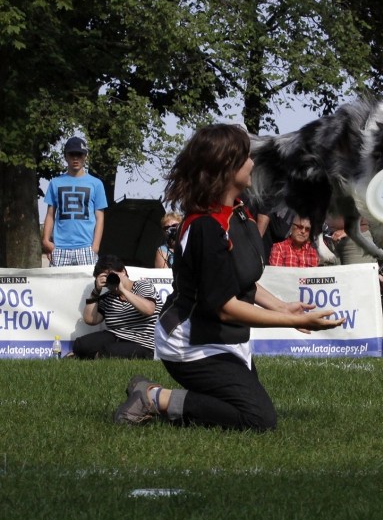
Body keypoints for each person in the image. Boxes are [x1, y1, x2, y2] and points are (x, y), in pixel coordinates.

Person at [113, 124, 344, 431]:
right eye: (247, 157)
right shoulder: (206, 227)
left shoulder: (237, 212)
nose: (253, 163)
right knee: (258, 419)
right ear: (227, 167)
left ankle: (157, 393)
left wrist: (280, 307)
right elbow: (224, 305)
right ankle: (153, 397)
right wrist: (293, 322)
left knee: (245, 408)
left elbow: (240, 279)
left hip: (223, 337)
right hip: (191, 342)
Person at [71, 254, 162, 359]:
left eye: (111, 275)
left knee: (109, 351)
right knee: (80, 345)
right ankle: (92, 355)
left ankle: (90, 357)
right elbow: (91, 320)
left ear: (123, 271)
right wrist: (96, 291)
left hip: (143, 342)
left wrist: (123, 290)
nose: (110, 279)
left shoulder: (143, 285)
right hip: (116, 336)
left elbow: (149, 310)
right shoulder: (110, 297)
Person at [42, 136, 108, 266]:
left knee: (90, 286)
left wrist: (95, 246)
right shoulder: (55, 183)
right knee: (56, 286)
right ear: (66, 156)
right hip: (60, 248)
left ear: (85, 156)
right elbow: (50, 215)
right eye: (72, 154)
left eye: (79, 154)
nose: (76, 158)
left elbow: (100, 217)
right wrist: (45, 240)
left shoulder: (96, 184)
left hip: (86, 248)